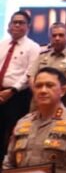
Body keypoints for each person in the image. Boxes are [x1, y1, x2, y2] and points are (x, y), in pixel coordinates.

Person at [0, 10, 42, 158]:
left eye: (21, 22)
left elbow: (29, 73)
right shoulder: (2, 44)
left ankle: (10, 167)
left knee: (14, 133)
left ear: (28, 26)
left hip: (18, 96)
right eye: (14, 22)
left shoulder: (33, 47)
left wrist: (12, 90)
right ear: (9, 26)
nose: (17, 25)